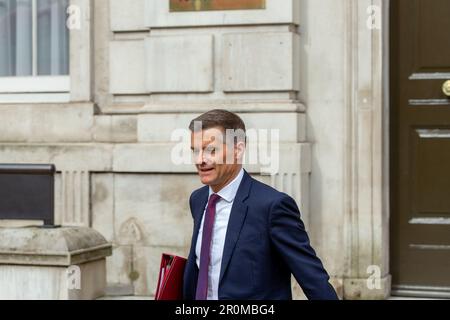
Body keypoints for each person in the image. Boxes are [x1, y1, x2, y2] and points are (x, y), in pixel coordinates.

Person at [183, 109, 338, 300]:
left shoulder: (273, 206)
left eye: (211, 150)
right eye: (195, 151)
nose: (200, 160)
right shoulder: (198, 200)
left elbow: (312, 278)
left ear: (238, 150)